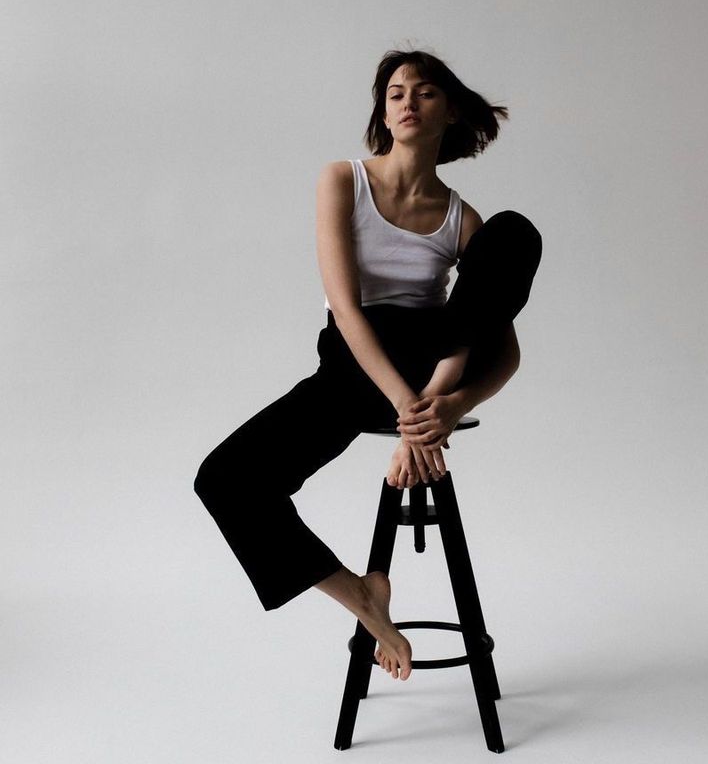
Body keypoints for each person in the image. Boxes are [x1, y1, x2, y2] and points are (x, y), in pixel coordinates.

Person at [194, 49, 542, 684]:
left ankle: (427, 408)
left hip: (435, 364)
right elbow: (348, 313)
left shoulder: (464, 220)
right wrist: (413, 414)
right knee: (226, 480)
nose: (408, 102)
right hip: (355, 367)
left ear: (451, 110)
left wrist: (448, 405)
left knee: (513, 234)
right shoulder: (343, 180)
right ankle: (364, 599)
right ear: (383, 113)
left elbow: (501, 346)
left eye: (426, 92)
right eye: (395, 93)